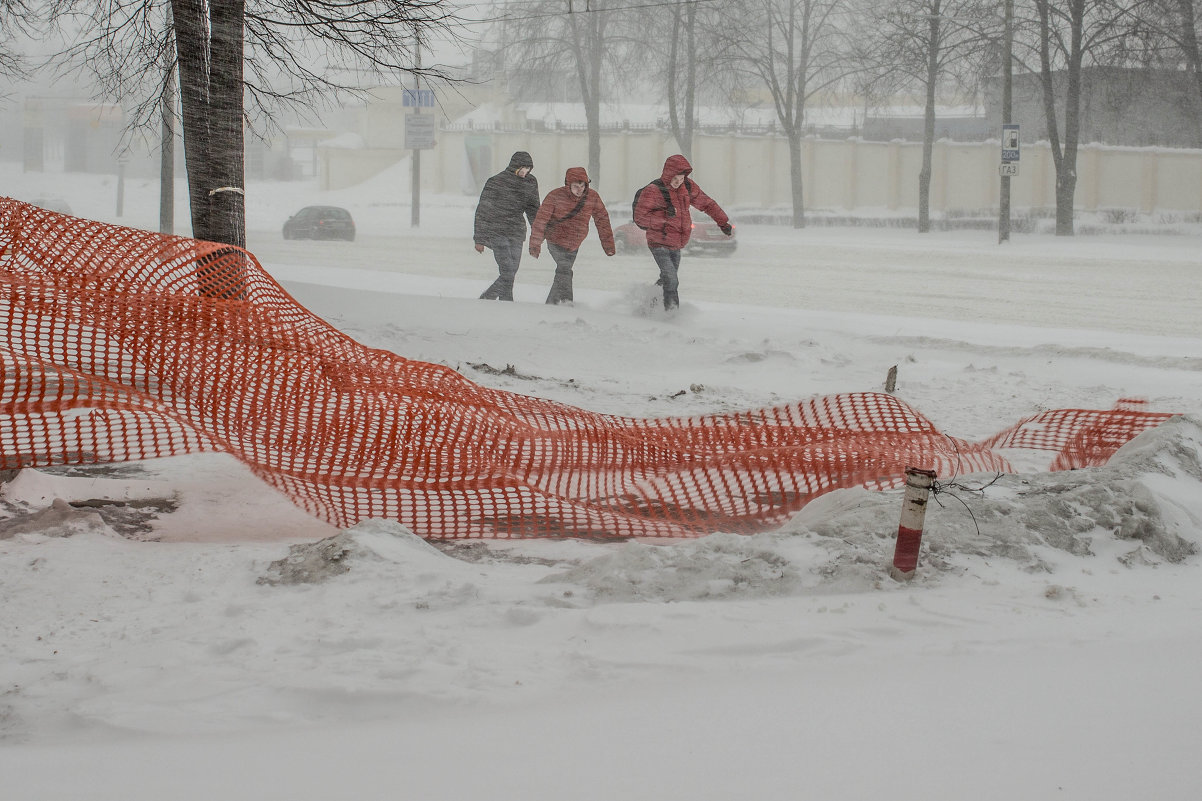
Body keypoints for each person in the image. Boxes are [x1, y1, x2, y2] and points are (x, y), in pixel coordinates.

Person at [633, 154, 732, 311]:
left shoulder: (688, 187)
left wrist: (723, 222)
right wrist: (664, 217)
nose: (678, 182)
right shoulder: (654, 190)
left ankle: (649, 304)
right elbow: (640, 218)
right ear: (668, 175)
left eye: (681, 178)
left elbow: (707, 204)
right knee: (672, 280)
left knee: (667, 279)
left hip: (676, 243)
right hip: (658, 242)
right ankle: (671, 315)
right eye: (675, 179)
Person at [527, 167, 616, 305]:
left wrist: (608, 245)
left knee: (563, 272)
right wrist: (535, 245)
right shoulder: (555, 196)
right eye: (575, 186)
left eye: (583, 186)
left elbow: (602, 220)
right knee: (565, 269)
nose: (580, 189)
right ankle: (567, 304)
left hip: (574, 244)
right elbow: (540, 221)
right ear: (568, 185)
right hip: (555, 240)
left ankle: (551, 303)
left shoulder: (592, 197)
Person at [474, 151, 541, 301]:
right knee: (507, 271)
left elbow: (534, 209)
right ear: (514, 167)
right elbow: (483, 210)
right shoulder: (496, 181)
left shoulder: (531, 182)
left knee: (511, 271)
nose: (525, 172)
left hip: (516, 232)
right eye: (522, 168)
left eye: (528, 169)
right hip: (497, 231)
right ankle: (506, 302)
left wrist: (538, 233)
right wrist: (479, 238)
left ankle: (488, 297)